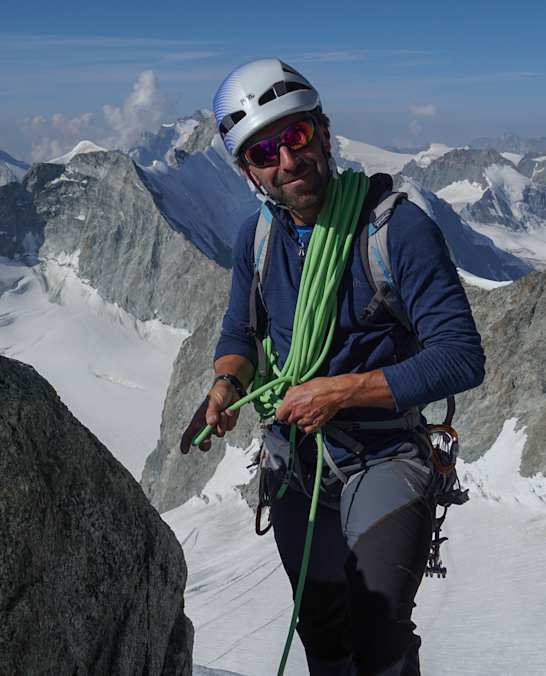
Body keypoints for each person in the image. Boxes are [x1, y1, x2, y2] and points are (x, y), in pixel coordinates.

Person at [186, 58, 485, 676]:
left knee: (377, 626)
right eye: (264, 152)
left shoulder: (397, 230)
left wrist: (340, 392)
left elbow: (459, 355)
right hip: (297, 457)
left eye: (294, 137)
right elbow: (243, 329)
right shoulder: (257, 238)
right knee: (322, 627)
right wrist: (225, 383)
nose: (286, 162)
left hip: (383, 452)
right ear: (248, 170)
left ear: (323, 132)